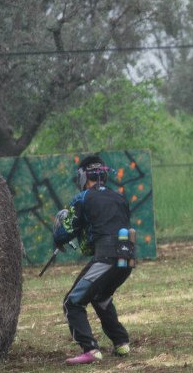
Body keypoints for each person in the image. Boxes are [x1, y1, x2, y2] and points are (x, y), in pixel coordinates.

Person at [53, 155, 134, 365]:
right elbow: (105, 230)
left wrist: (60, 226)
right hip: (128, 258)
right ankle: (121, 342)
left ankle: (90, 349)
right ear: (104, 175)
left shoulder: (82, 198)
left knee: (72, 301)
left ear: (82, 176)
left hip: (106, 258)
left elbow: (64, 234)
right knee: (100, 297)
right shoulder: (119, 197)